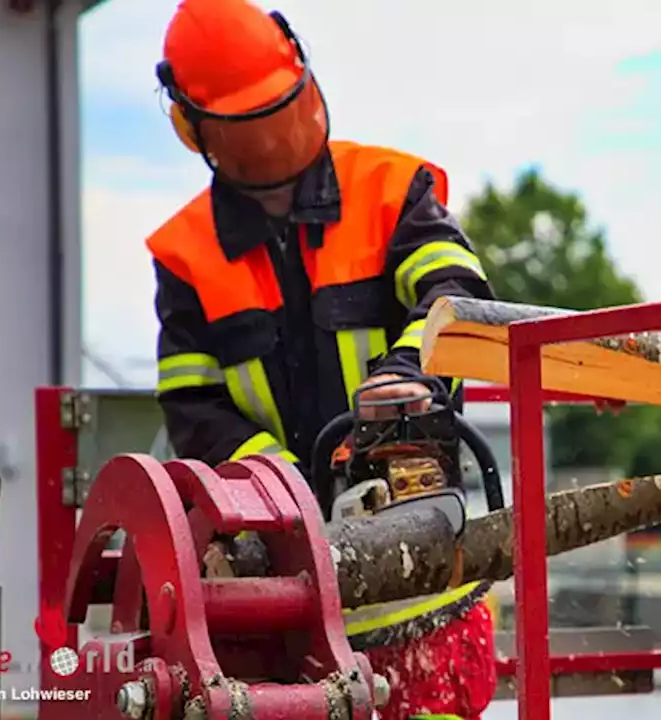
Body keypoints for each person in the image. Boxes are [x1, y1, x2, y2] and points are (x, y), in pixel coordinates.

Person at [145, 1, 497, 718]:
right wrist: (281, 492)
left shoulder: (395, 193)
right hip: (277, 604)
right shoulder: (187, 254)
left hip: (425, 580)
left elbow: (456, 295)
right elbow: (193, 406)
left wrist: (406, 375)